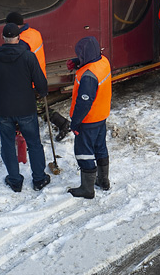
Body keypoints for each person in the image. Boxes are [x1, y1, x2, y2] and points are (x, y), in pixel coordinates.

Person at [0, 23, 50, 192]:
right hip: (26, 108)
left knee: (7, 144)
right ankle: (39, 179)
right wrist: (42, 92)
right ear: (19, 38)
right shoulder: (28, 57)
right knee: (34, 143)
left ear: (2, 38)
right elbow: (40, 81)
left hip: (3, 110)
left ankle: (14, 181)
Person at [6, 12, 71, 141]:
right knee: (37, 108)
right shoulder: (34, 33)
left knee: (24, 111)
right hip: (38, 78)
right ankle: (63, 124)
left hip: (28, 84)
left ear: (15, 26)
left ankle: (22, 140)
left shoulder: (21, 43)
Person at [66, 36, 112, 198]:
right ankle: (103, 181)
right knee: (100, 148)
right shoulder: (103, 62)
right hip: (101, 116)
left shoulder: (88, 76)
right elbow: (91, 61)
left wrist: (75, 123)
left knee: (84, 153)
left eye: (80, 55)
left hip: (88, 120)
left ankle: (87, 189)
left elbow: (84, 104)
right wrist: (77, 62)